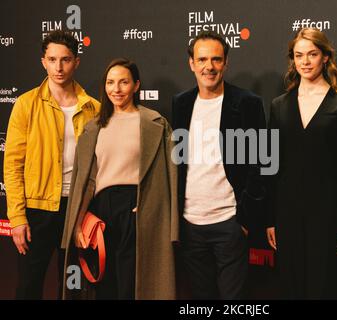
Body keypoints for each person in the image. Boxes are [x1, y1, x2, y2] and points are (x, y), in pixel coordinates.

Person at [60, 58, 178, 300]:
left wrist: (149, 206)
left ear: (136, 86)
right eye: (111, 82)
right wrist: (78, 223)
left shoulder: (155, 123)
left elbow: (167, 178)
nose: (116, 89)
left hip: (137, 209)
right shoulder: (94, 128)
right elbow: (88, 180)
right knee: (104, 284)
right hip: (101, 212)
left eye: (124, 82)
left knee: (132, 285)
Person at [4, 30, 99, 299]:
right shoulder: (26, 104)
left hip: (78, 209)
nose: (59, 67)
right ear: (43, 61)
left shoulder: (93, 107)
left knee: (73, 289)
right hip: (38, 209)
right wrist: (18, 218)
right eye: (52, 59)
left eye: (66, 60)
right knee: (29, 286)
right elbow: (12, 165)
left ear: (77, 62)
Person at [172, 31, 266, 299]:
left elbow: (261, 163)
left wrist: (245, 221)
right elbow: (178, 163)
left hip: (230, 223)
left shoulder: (248, 103)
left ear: (226, 63)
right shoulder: (181, 103)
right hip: (190, 224)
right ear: (191, 63)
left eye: (216, 59)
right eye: (202, 59)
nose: (208, 66)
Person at [266, 28, 337, 299]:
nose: (305, 61)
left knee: (324, 286)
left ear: (326, 58)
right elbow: (270, 165)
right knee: (291, 286)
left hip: (327, 216)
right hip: (287, 214)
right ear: (292, 60)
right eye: (299, 55)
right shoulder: (279, 106)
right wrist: (270, 218)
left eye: (312, 54)